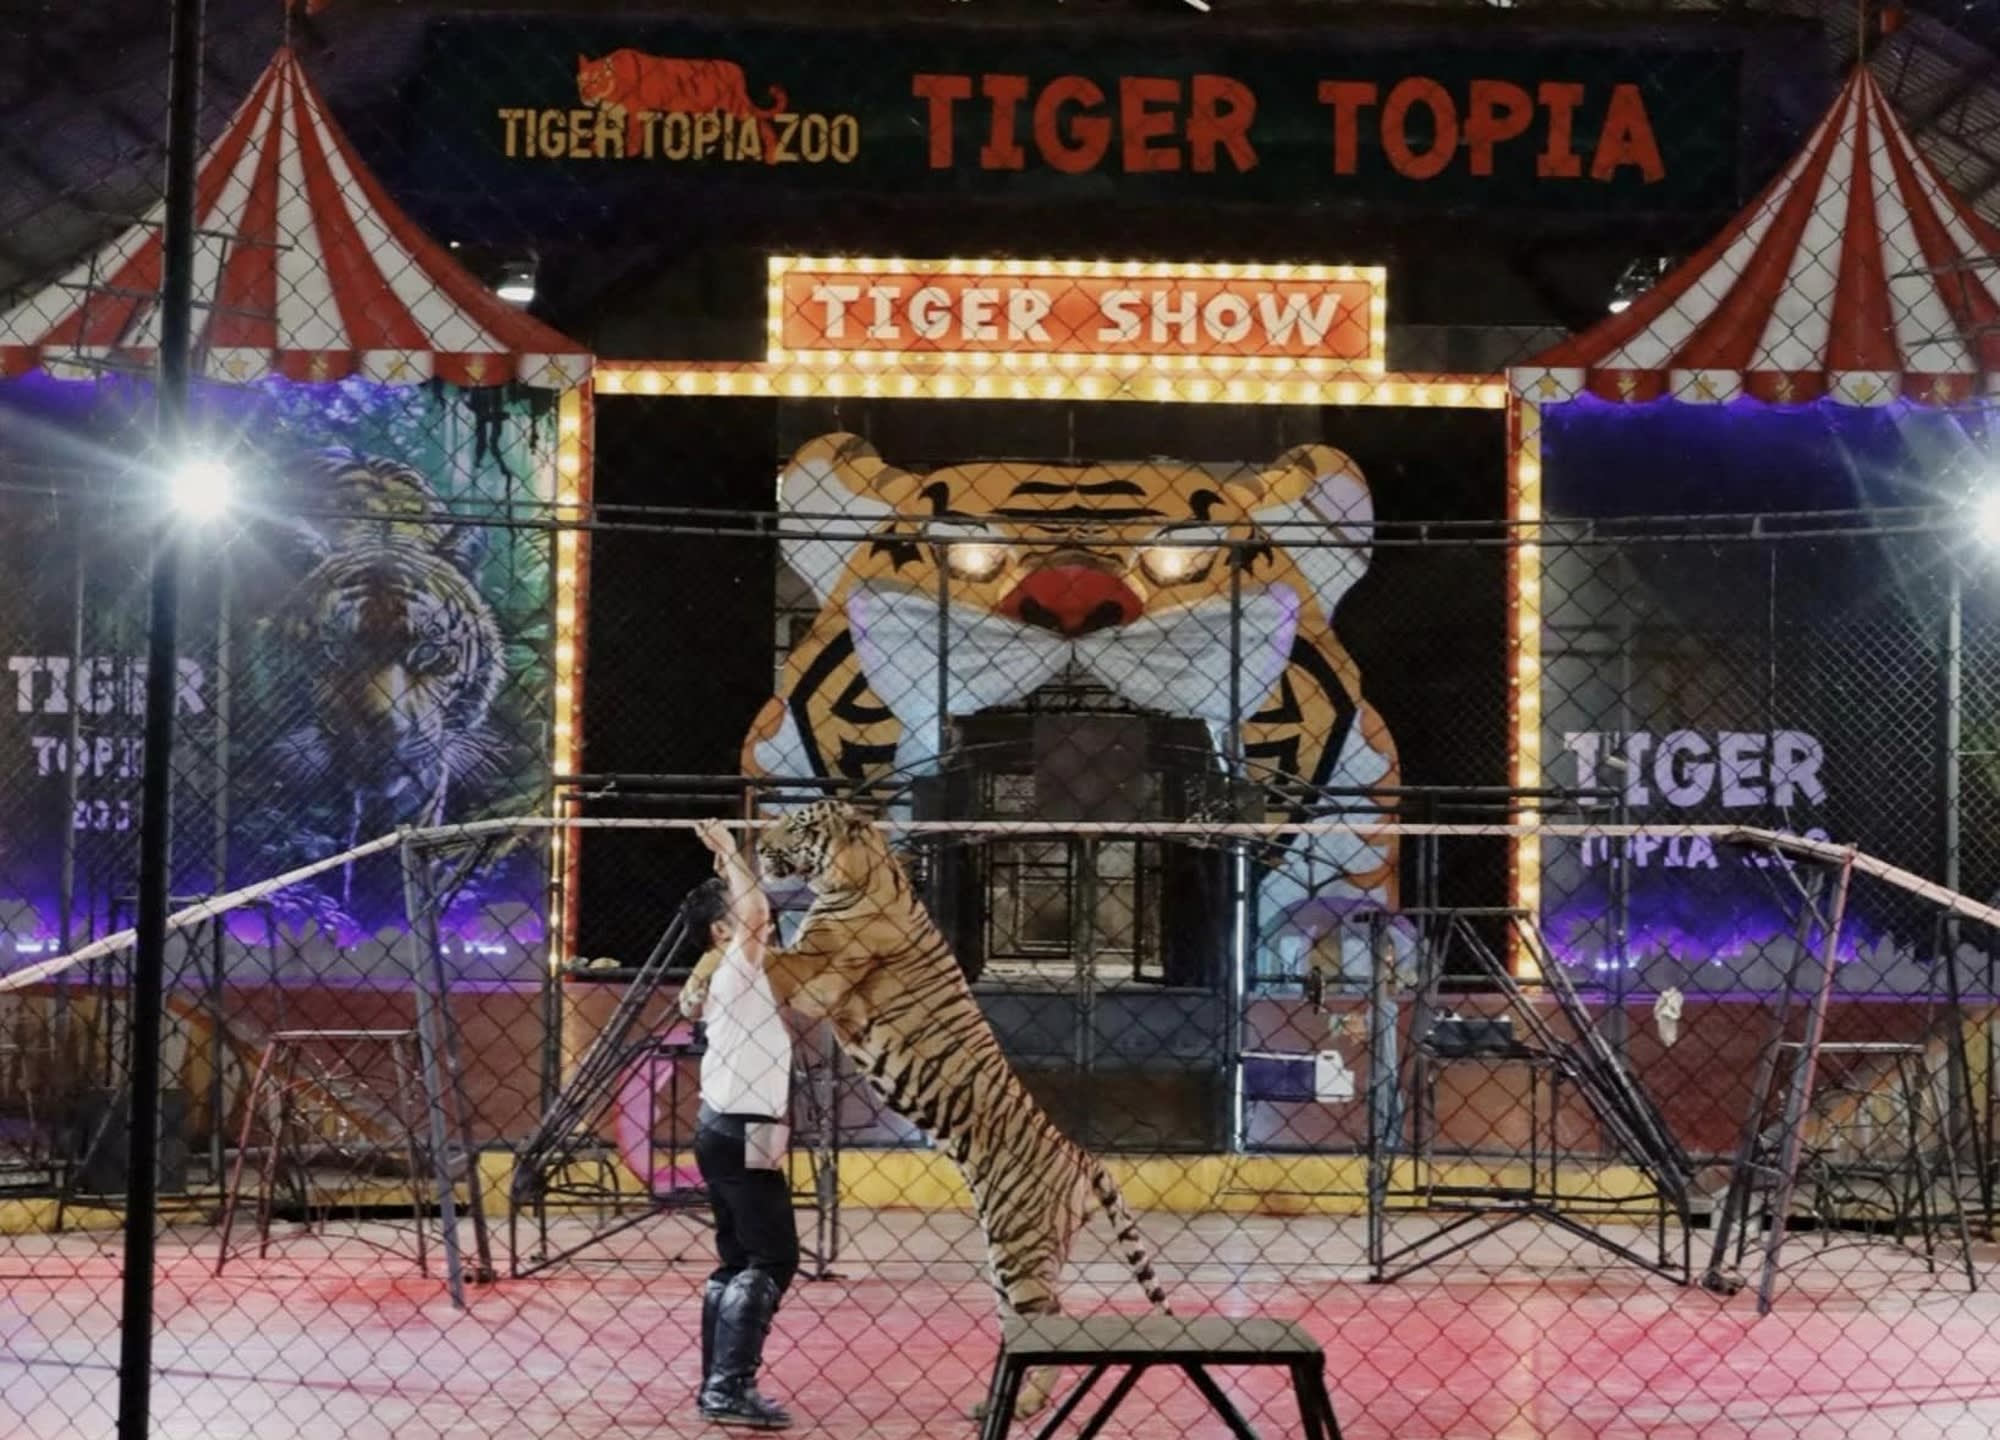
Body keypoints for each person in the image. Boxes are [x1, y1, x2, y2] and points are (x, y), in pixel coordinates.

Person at [678, 819, 798, 1430]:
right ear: (721, 930)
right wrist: (730, 853)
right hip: (739, 1126)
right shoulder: (735, 968)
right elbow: (754, 916)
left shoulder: (735, 975)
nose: (766, 919)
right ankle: (729, 1386)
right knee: (773, 1257)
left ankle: (717, 1382)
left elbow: (752, 915)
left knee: (738, 1257)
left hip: (727, 1126)